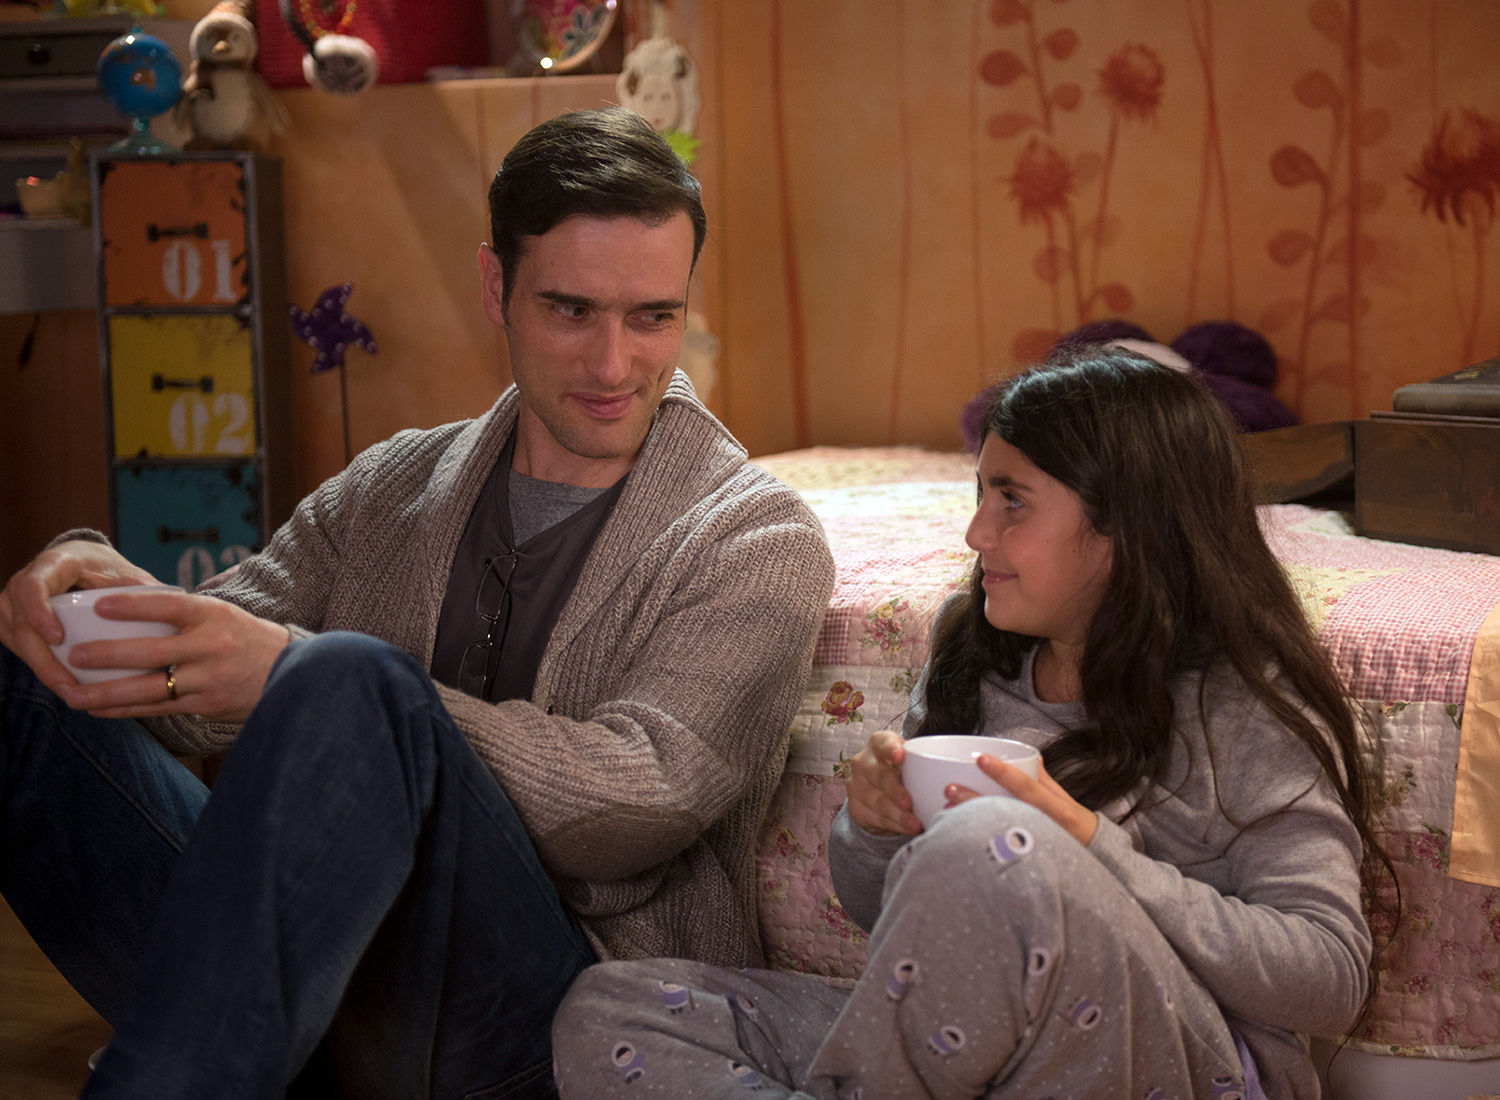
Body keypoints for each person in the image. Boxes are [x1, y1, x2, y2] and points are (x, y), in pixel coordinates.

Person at [0, 107, 834, 1100]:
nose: (616, 366)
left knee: (350, 675)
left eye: (652, 315)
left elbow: (640, 804)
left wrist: (342, 691)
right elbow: (194, 683)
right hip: (316, 986)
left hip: (557, 1017)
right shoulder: (393, 482)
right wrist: (85, 581)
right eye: (571, 310)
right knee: (23, 671)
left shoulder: (758, 538)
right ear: (497, 286)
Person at [551, 349, 1390, 1099]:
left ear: (1125, 528)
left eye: (1013, 502)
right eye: (979, 492)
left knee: (991, 841)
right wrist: (874, 829)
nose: (976, 531)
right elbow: (895, 923)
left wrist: (1084, 841)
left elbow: (1329, 975)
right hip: (969, 1054)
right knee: (612, 1007)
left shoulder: (1243, 701)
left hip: (1182, 1064)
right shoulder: (975, 651)